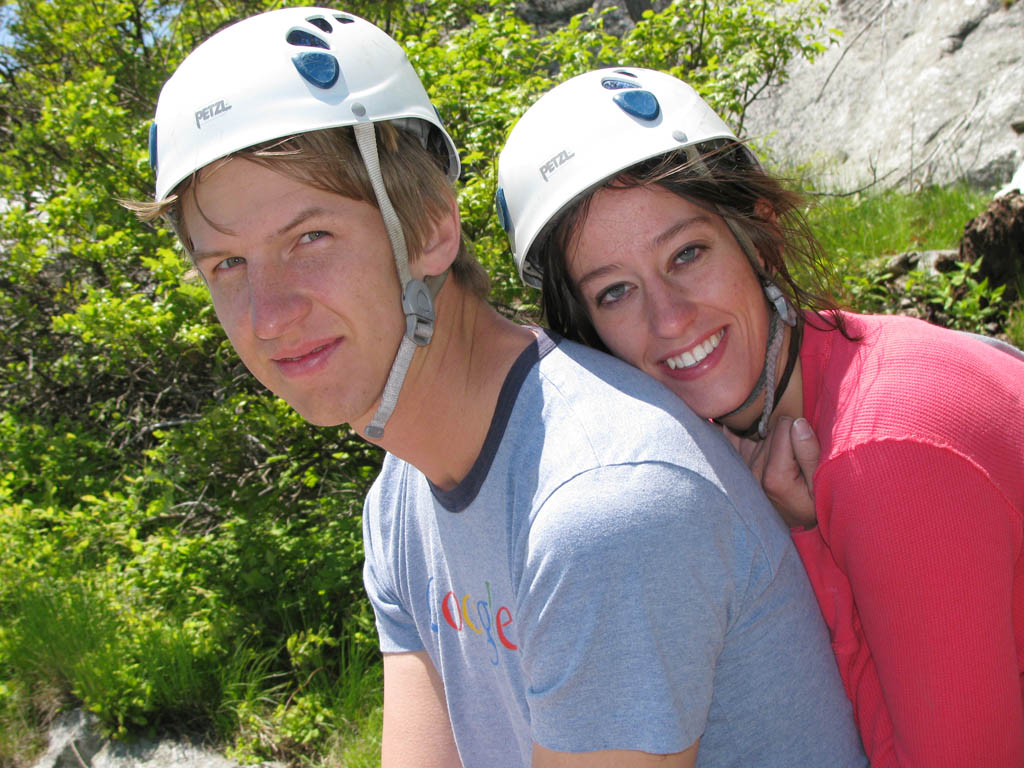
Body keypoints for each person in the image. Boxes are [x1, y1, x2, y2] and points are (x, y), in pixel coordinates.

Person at [131, 13, 867, 766]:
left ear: (431, 229)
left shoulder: (604, 504)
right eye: (226, 265)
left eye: (308, 239)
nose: (269, 315)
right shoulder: (401, 501)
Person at [496, 66, 1024, 767]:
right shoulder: (819, 380)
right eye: (616, 292)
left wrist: (800, 542)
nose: (670, 318)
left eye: (687, 254)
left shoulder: (886, 448)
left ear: (758, 234)